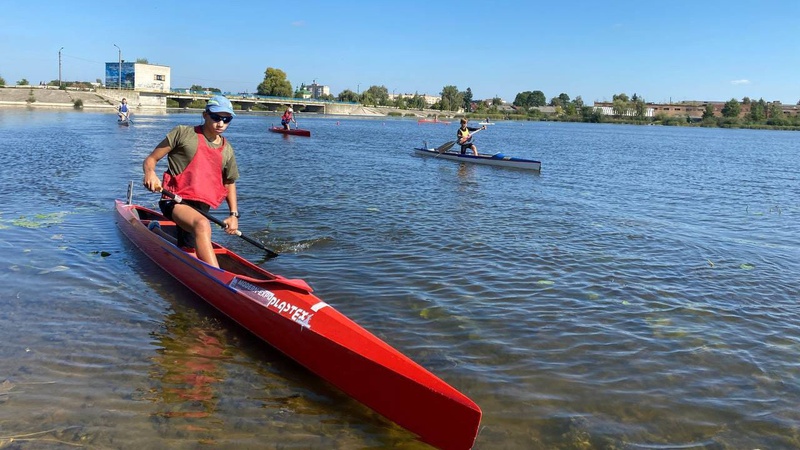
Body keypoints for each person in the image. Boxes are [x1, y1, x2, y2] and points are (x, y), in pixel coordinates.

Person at [142, 95, 240, 268]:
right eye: (216, 117)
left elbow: (229, 182)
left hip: (201, 206)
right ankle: (215, 277)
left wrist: (233, 215)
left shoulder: (227, 149)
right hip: (173, 199)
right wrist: (150, 174)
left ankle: (156, 231)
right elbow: (150, 160)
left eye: (227, 119)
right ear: (205, 115)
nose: (221, 123)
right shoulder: (183, 133)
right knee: (202, 225)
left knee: (188, 248)